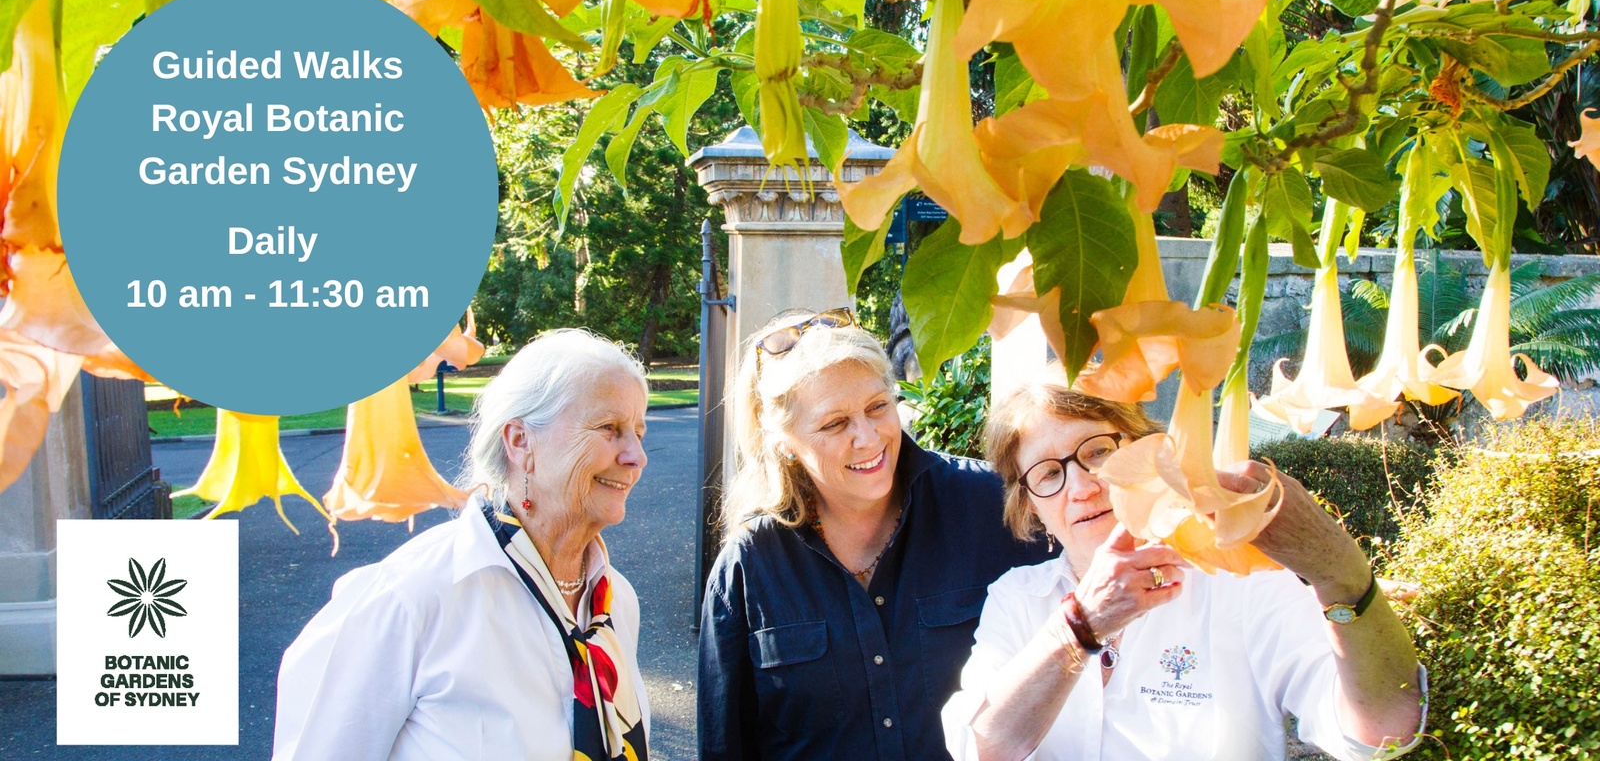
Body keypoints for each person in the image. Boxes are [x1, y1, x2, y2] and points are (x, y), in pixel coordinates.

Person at [941, 373, 1427, 760]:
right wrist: (1080, 627)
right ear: (1030, 507)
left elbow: (1378, 735)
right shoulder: (1018, 599)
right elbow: (982, 749)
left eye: (1097, 452)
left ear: (1152, 453)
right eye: (1048, 473)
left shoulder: (1242, 583)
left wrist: (1342, 575)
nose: (1082, 486)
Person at [273, 329, 652, 761]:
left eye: (638, 432)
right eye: (609, 428)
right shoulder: (412, 598)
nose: (636, 455)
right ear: (520, 441)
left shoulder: (616, 601)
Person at [698, 308, 1050, 761]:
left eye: (877, 407)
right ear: (783, 441)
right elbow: (725, 746)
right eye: (834, 423)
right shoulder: (749, 568)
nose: (868, 437)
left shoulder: (992, 507)